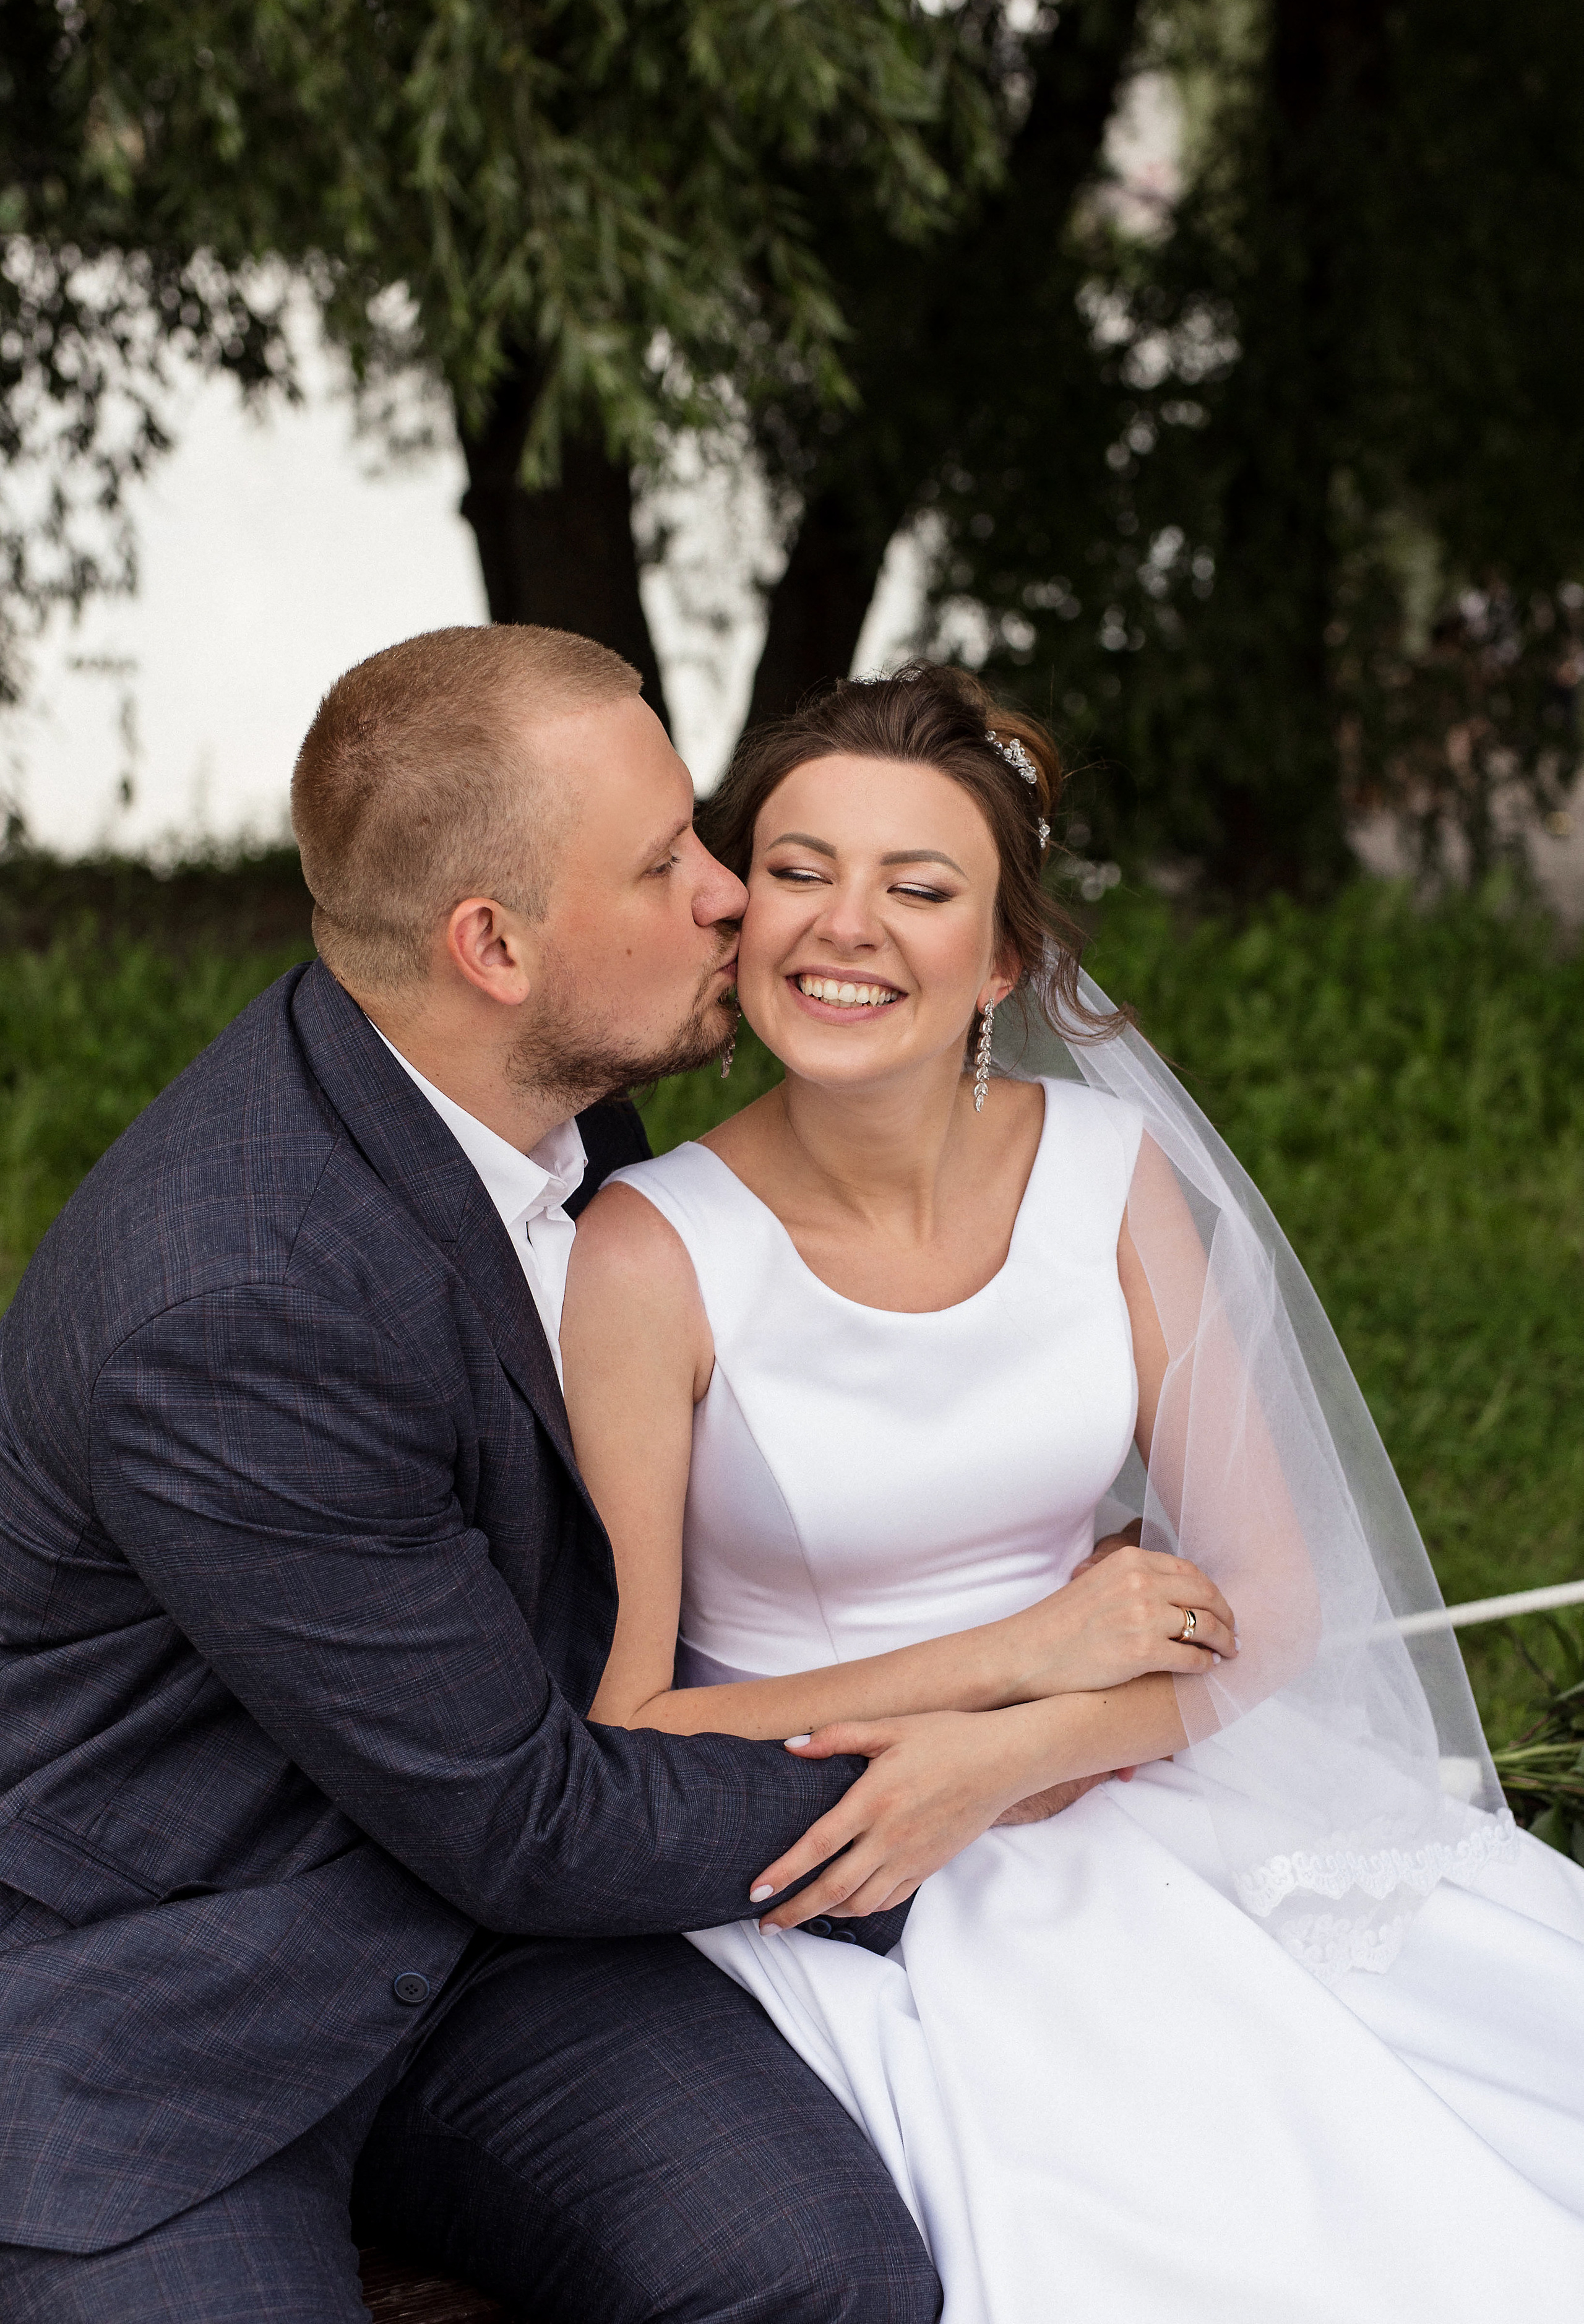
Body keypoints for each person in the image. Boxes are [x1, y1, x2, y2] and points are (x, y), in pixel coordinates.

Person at [0, 623, 1014, 2323]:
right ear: (493, 945)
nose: (727, 894)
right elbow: (534, 1816)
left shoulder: (555, 1100)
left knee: (817, 2280)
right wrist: (973, 1768)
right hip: (167, 2011)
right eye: (667, 860)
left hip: (467, 1941)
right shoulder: (241, 1301)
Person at [562, 661, 1584, 2324]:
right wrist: (1012, 1658)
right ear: (736, 919)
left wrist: (1026, 1742)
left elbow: (1274, 1599)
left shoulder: (1109, 1178)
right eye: (803, 871)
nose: (846, 927)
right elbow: (629, 1733)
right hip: (838, 1853)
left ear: (1005, 958)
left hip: (1136, 1770)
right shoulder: (650, 1249)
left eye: (922, 886)